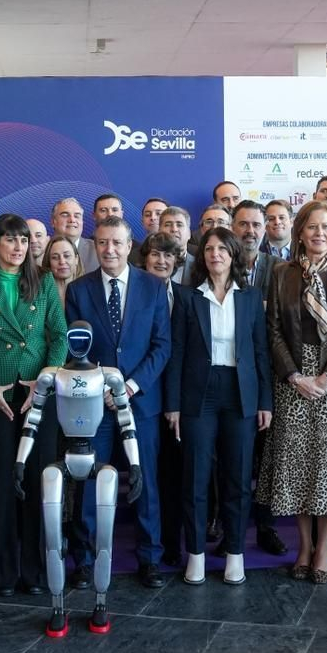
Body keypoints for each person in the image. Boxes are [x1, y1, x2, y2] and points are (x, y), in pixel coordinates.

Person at [0, 214, 67, 597]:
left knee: (39, 481)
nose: (19, 247)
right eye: (10, 240)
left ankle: (34, 572)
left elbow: (60, 337)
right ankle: (1, 573)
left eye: (24, 240)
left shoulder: (44, 282)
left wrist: (48, 375)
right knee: (0, 483)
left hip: (37, 396)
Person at [261, 201, 327, 585]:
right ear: (300, 233)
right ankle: (303, 545)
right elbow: (271, 328)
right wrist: (293, 374)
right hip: (293, 381)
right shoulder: (280, 273)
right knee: (297, 468)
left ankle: (323, 547)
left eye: (326, 227)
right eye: (312, 227)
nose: (319, 234)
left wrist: (326, 377)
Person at [64, 215, 172, 589]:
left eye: (117, 243)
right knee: (88, 483)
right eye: (103, 243)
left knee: (147, 483)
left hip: (139, 403)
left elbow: (162, 346)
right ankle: (84, 560)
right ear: (95, 246)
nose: (109, 250)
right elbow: (75, 350)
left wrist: (127, 386)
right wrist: (103, 386)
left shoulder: (154, 288)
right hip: (94, 406)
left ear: (130, 247)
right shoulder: (79, 290)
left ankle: (150, 558)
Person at [165, 226, 272, 586]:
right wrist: (174, 405)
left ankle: (235, 553)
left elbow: (260, 353)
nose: (215, 255)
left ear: (233, 255)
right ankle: (194, 553)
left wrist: (264, 401)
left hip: (240, 392)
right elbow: (176, 352)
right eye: (208, 249)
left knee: (238, 478)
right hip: (199, 393)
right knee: (195, 477)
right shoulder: (187, 297)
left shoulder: (250, 297)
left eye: (222, 249)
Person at [141, 231, 194, 567]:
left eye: (168, 256)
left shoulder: (189, 297)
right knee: (146, 476)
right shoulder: (136, 295)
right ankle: (150, 542)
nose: (162, 261)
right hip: (144, 397)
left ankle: (172, 544)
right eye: (155, 255)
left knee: (175, 475)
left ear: (177, 262)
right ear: (144, 259)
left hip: (182, 402)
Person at [231, 200, 275, 295]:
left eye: (256, 225)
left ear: (265, 229)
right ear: (232, 227)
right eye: (243, 224)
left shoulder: (278, 267)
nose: (250, 231)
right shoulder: (222, 266)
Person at [42, 235, 82, 307]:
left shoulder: (88, 291)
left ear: (76, 259)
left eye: (67, 256)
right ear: (49, 262)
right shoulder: (40, 293)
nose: (62, 262)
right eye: (55, 257)